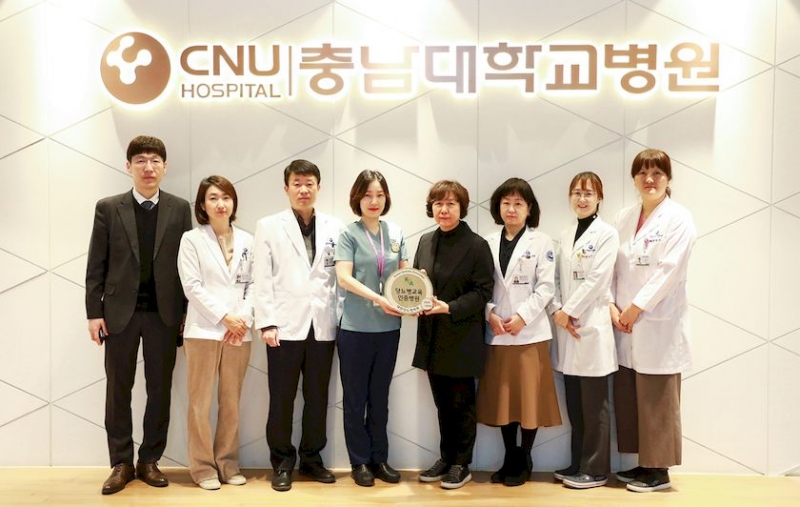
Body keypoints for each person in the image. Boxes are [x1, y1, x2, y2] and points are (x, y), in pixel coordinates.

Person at [85, 135, 192, 495]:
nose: (149, 167)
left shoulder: (179, 208)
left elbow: (187, 266)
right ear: (128, 166)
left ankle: (149, 460)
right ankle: (121, 462)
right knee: (118, 389)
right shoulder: (108, 207)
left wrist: (186, 312)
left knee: (159, 389)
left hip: (164, 314)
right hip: (119, 314)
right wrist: (93, 312)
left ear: (165, 167)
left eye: (155, 161)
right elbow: (96, 263)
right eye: (141, 161)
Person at [252, 159, 344, 492]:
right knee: (282, 398)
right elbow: (261, 278)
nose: (303, 190)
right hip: (283, 325)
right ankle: (282, 461)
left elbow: (339, 278)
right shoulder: (269, 225)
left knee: (317, 397)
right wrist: (267, 322)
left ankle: (311, 458)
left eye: (309, 184)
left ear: (319, 187)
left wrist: (341, 319)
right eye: (297, 183)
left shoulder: (336, 226)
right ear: (286, 188)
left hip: (323, 325)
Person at [610, 149, 696, 493]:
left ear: (668, 178)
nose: (649, 179)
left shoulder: (679, 219)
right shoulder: (624, 217)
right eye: (642, 173)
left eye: (657, 173)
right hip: (624, 321)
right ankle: (644, 463)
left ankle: (659, 471)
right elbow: (613, 267)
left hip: (657, 321)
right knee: (633, 395)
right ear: (634, 179)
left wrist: (635, 308)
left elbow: (669, 272)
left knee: (658, 398)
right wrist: (613, 307)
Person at [476, 177, 562, 487]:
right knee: (504, 399)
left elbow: (546, 287)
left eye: (518, 203)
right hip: (498, 331)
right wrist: (490, 313)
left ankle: (524, 458)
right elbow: (481, 285)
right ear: (498, 207)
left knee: (528, 400)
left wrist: (522, 318)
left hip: (529, 334)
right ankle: (509, 457)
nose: (511, 209)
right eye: (506, 203)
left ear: (529, 209)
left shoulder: (542, 242)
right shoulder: (486, 242)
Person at [413, 180, 494, 490]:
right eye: (438, 204)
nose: (444, 209)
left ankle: (462, 462)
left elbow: (483, 291)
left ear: (462, 208)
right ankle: (446, 458)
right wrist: (414, 303)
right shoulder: (425, 241)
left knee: (462, 404)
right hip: (432, 335)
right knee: (442, 404)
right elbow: (416, 283)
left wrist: (449, 307)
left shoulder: (476, 245)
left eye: (450, 204)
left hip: (461, 335)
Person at [177, 175, 253, 490]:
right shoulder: (191, 240)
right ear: (202, 205)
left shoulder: (248, 240)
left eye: (226, 197)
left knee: (231, 401)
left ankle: (227, 463)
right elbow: (191, 286)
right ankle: (203, 468)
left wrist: (242, 319)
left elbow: (256, 285)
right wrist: (225, 317)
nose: (220, 204)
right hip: (203, 331)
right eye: (213, 198)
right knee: (200, 402)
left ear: (233, 202)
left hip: (240, 333)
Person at [335, 170, 408, 487]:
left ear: (386, 198)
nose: (374, 201)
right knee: (355, 399)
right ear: (357, 198)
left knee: (380, 397)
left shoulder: (396, 233)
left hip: (389, 329)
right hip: (354, 329)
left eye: (379, 195)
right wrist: (379, 298)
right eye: (367, 195)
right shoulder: (348, 234)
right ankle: (359, 462)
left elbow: (405, 275)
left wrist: (415, 289)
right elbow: (343, 278)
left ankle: (380, 459)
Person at [549, 172, 619, 489]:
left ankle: (596, 469)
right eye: (577, 193)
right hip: (567, 327)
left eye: (589, 193)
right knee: (576, 405)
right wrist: (558, 311)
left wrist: (569, 311)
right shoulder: (565, 235)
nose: (582, 198)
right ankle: (578, 462)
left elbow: (598, 280)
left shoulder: (607, 234)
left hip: (591, 325)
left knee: (595, 406)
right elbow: (556, 279)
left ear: (599, 198)